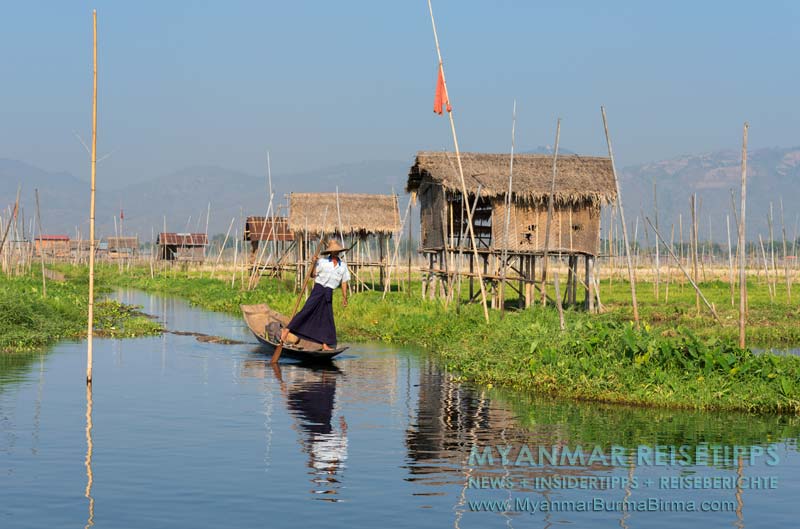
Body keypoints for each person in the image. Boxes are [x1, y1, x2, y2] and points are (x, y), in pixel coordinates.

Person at [281, 239, 350, 351]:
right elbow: (313, 275)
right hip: (319, 289)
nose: (335, 252)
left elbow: (344, 282)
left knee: (326, 318)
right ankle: (287, 329)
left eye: (337, 251)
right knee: (307, 310)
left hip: (328, 292)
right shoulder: (322, 262)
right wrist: (313, 264)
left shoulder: (343, 266)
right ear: (330, 252)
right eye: (333, 251)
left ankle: (324, 344)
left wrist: (344, 297)